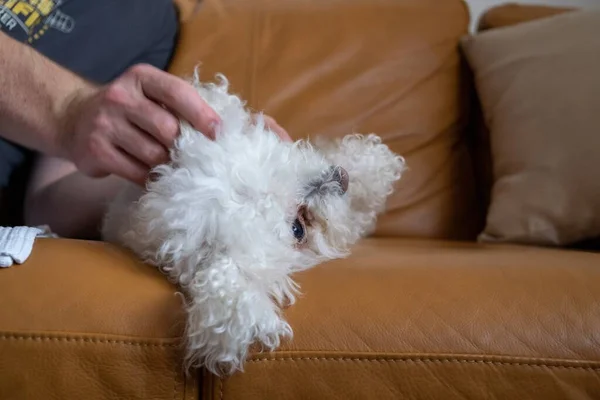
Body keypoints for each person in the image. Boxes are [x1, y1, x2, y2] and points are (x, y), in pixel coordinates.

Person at [0, 0, 289, 239]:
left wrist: (168, 177)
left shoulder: (152, 21)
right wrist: (69, 111)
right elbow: (75, 117)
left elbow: (46, 206)